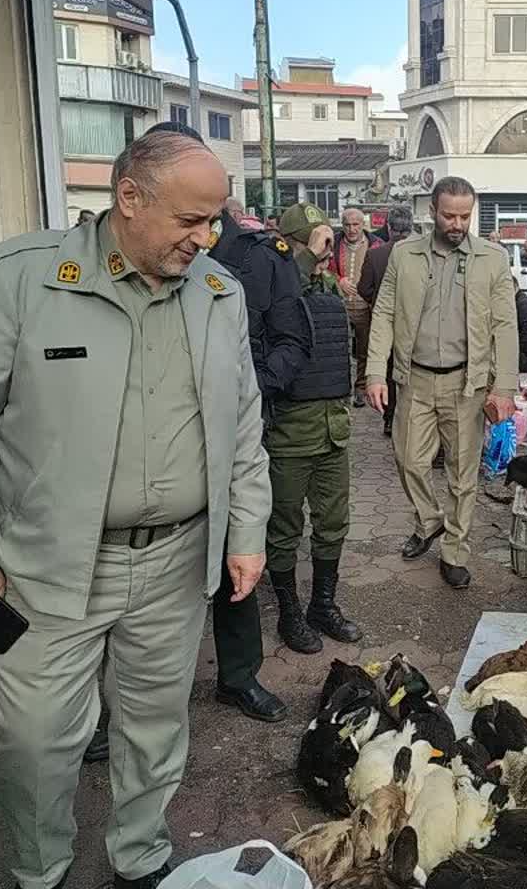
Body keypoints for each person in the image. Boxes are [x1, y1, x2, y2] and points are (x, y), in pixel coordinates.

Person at [0, 131, 272, 889]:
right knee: (34, 738)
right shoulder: (20, 279)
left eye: (214, 221)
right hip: (47, 564)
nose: (205, 239)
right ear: (130, 198)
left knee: (154, 726)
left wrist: (245, 531)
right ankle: (38, 870)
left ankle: (139, 858)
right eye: (189, 221)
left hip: (178, 558)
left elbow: (243, 424)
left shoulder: (219, 293)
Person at [365, 176, 518, 589]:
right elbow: (383, 315)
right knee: (408, 459)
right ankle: (430, 520)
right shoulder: (403, 254)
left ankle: (454, 551)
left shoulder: (493, 258)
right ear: (431, 211)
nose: (456, 223)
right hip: (414, 379)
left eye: (464, 216)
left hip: (466, 384)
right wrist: (375, 372)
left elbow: (505, 324)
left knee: (462, 473)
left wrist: (504, 387)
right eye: (449, 215)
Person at [207, 197, 313, 723]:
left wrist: (253, 394)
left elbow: (294, 341)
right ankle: (103, 705)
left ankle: (239, 675)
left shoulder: (261, 258)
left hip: (235, 430)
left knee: (238, 547)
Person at [262, 206, 363, 654]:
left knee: (333, 524)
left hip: (332, 429)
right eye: (313, 243)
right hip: (289, 432)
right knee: (284, 528)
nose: (323, 253)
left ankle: (323, 605)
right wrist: (304, 254)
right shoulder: (272, 282)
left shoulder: (326, 284)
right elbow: (289, 294)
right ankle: (289, 613)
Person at [359, 205, 414, 437]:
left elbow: (364, 288)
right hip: (414, 324)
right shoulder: (419, 254)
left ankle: (390, 418)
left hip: (382, 325)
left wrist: (378, 304)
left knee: (388, 371)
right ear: (411, 228)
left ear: (388, 228)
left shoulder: (376, 254)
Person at [333, 206, 381, 407]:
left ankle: (360, 388)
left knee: (363, 350)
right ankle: (340, 389)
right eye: (347, 225)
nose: (351, 229)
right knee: (339, 350)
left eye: (355, 224)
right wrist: (338, 280)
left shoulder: (376, 246)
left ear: (363, 225)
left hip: (364, 307)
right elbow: (321, 269)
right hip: (338, 307)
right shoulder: (333, 244)